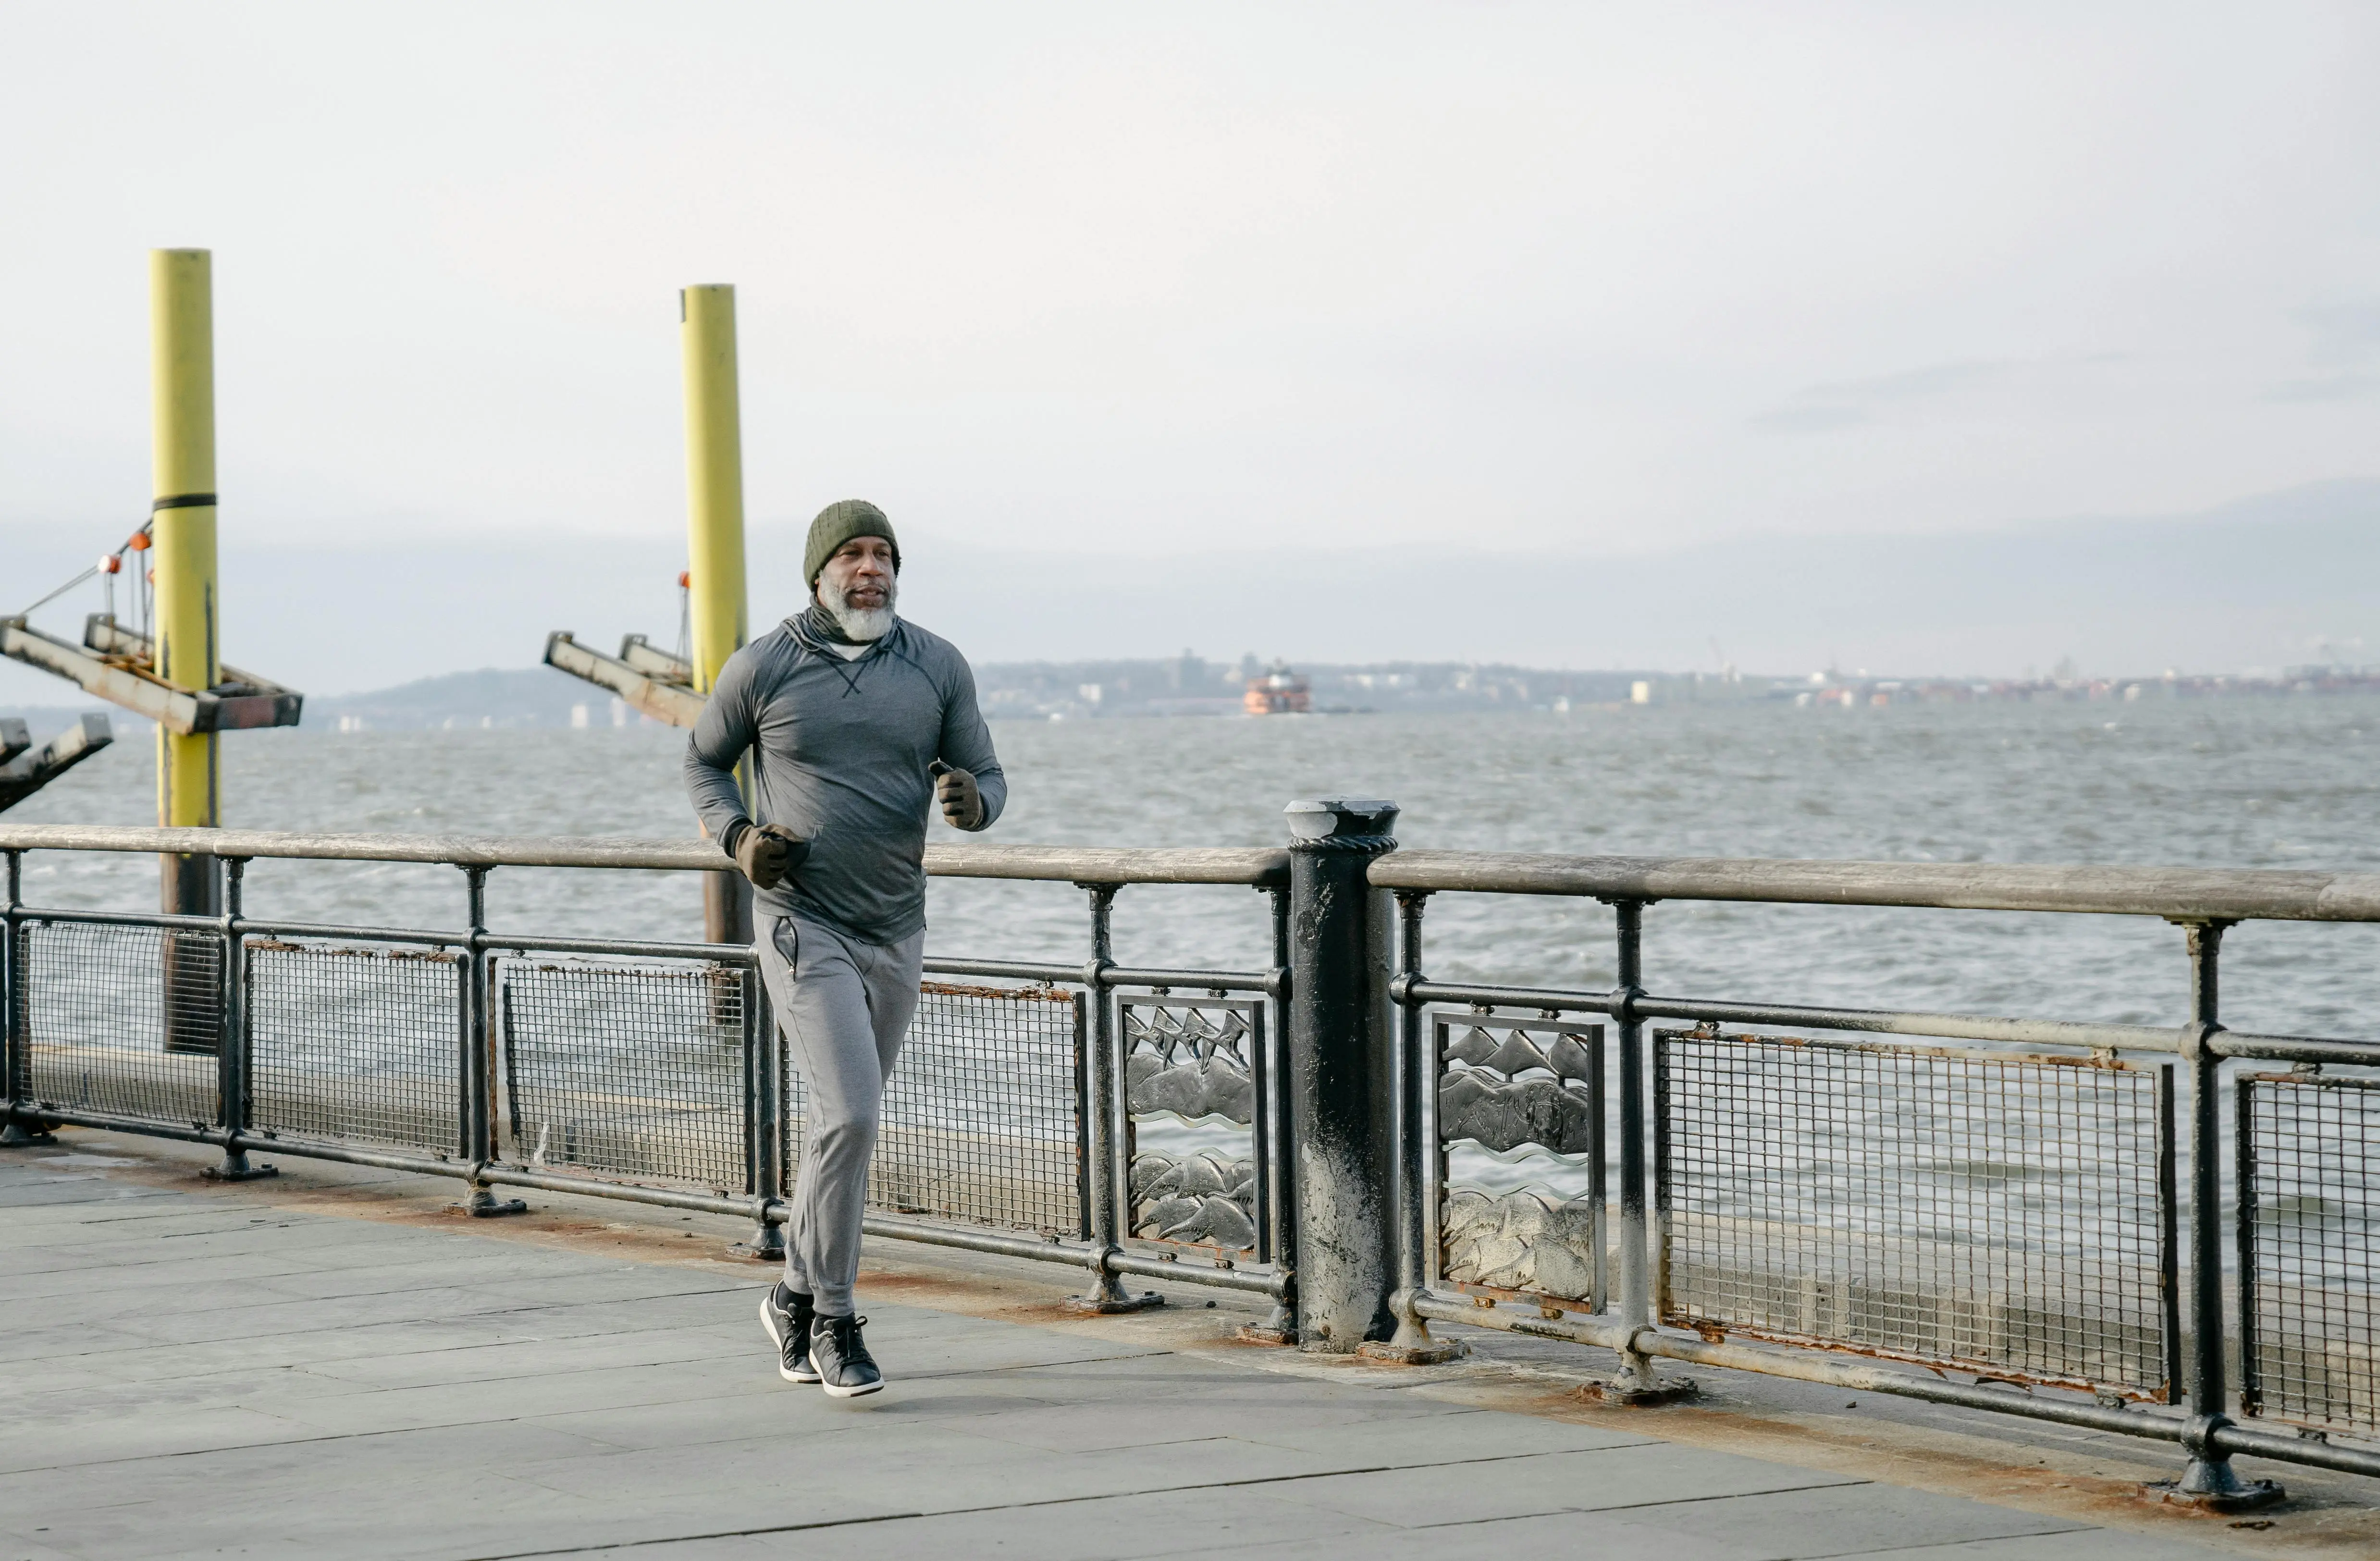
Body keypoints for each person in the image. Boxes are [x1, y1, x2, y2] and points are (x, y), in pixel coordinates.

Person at [684, 499, 1005, 1398]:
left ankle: (789, 1292)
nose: (871, 569)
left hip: (897, 924)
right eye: (852, 555)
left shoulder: (936, 665)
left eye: (883, 555)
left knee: (842, 1130)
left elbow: (989, 772)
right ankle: (833, 1317)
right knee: (854, 1116)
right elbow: (703, 765)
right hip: (802, 921)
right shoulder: (767, 665)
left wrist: (976, 804)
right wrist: (740, 838)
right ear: (819, 573)